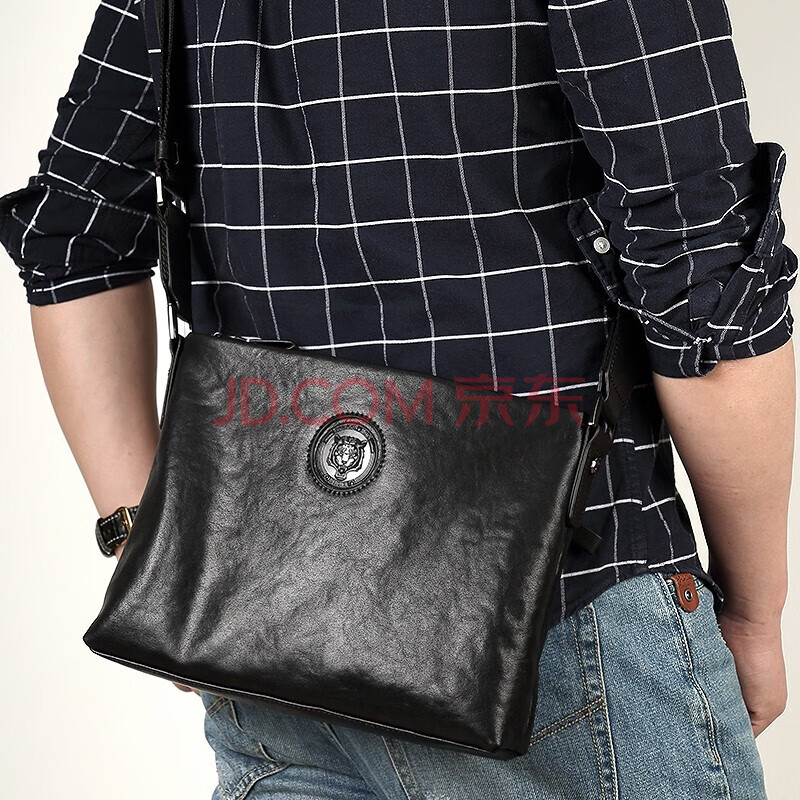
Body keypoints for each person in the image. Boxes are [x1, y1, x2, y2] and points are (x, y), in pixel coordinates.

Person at [0, 0, 795, 797]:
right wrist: (757, 613)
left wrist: (157, 554)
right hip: (555, 615)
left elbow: (72, 234)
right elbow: (705, 278)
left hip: (263, 625)